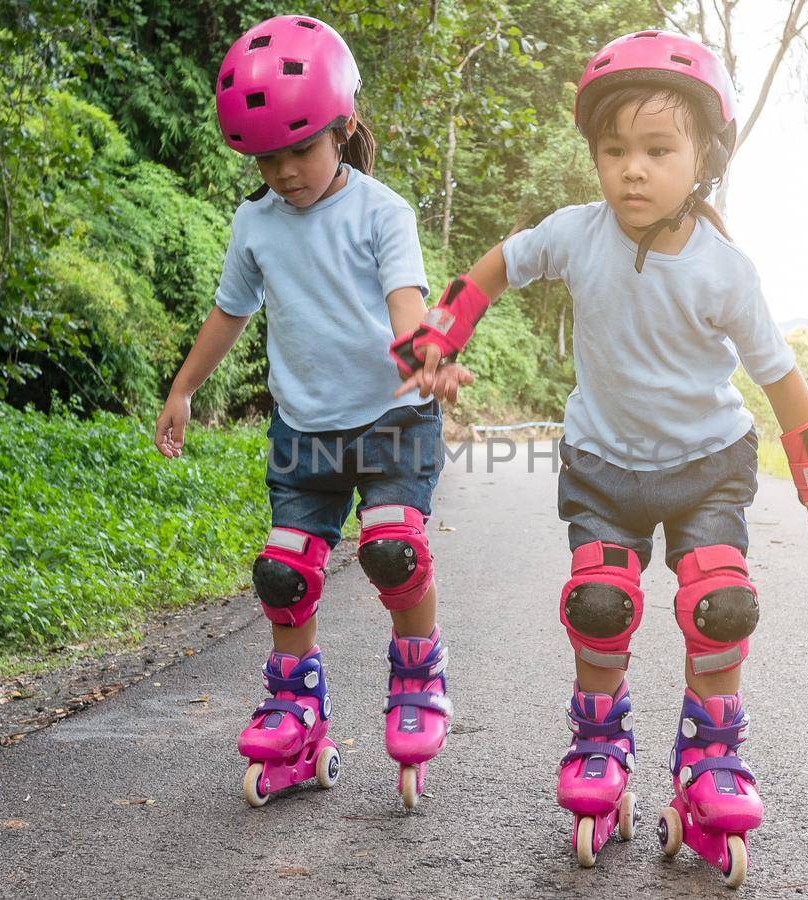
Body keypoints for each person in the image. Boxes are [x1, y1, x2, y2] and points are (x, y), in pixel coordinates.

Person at [390, 29, 808, 885]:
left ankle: (711, 759)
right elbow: (498, 268)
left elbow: (781, 379)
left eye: (657, 150)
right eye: (615, 151)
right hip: (604, 467)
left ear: (703, 160)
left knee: (721, 605)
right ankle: (600, 749)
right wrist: (438, 334)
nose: (632, 170)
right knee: (601, 606)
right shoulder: (576, 235)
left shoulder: (727, 270)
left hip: (708, 466)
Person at [156, 14, 472, 811]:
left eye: (300, 148)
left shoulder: (382, 212)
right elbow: (229, 312)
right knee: (282, 572)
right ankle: (297, 711)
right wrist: (184, 389)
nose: (285, 171)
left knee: (393, 550)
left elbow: (407, 307)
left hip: (391, 419)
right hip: (304, 431)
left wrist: (424, 359)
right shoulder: (254, 222)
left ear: (344, 128)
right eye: (267, 156)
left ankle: (416, 676)